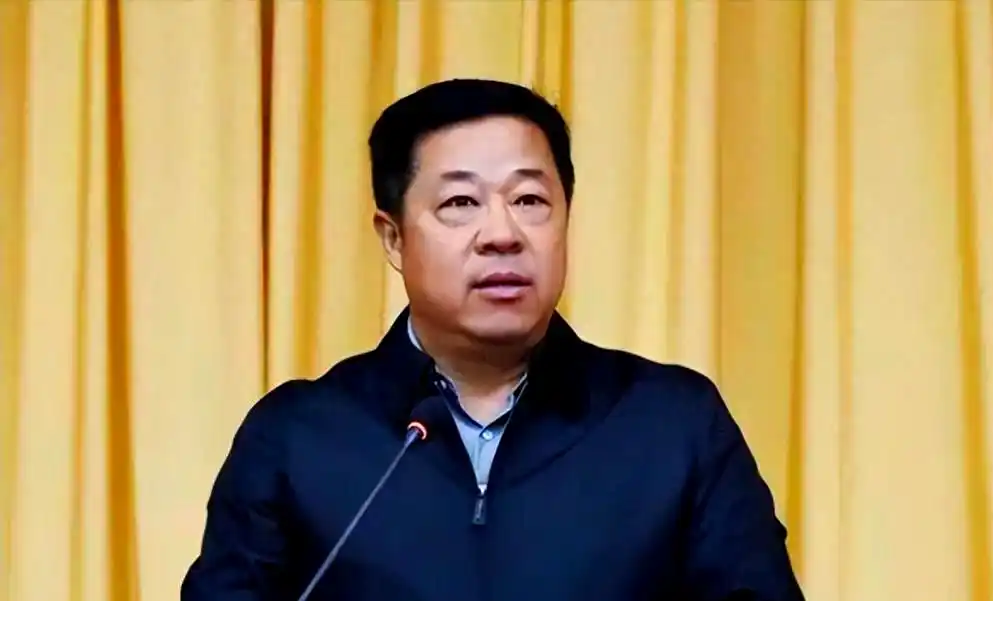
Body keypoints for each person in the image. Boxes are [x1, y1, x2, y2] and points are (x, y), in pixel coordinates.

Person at [180, 78, 804, 601]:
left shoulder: (674, 424)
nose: (502, 234)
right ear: (393, 237)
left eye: (530, 199)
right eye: (460, 203)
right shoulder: (296, 437)